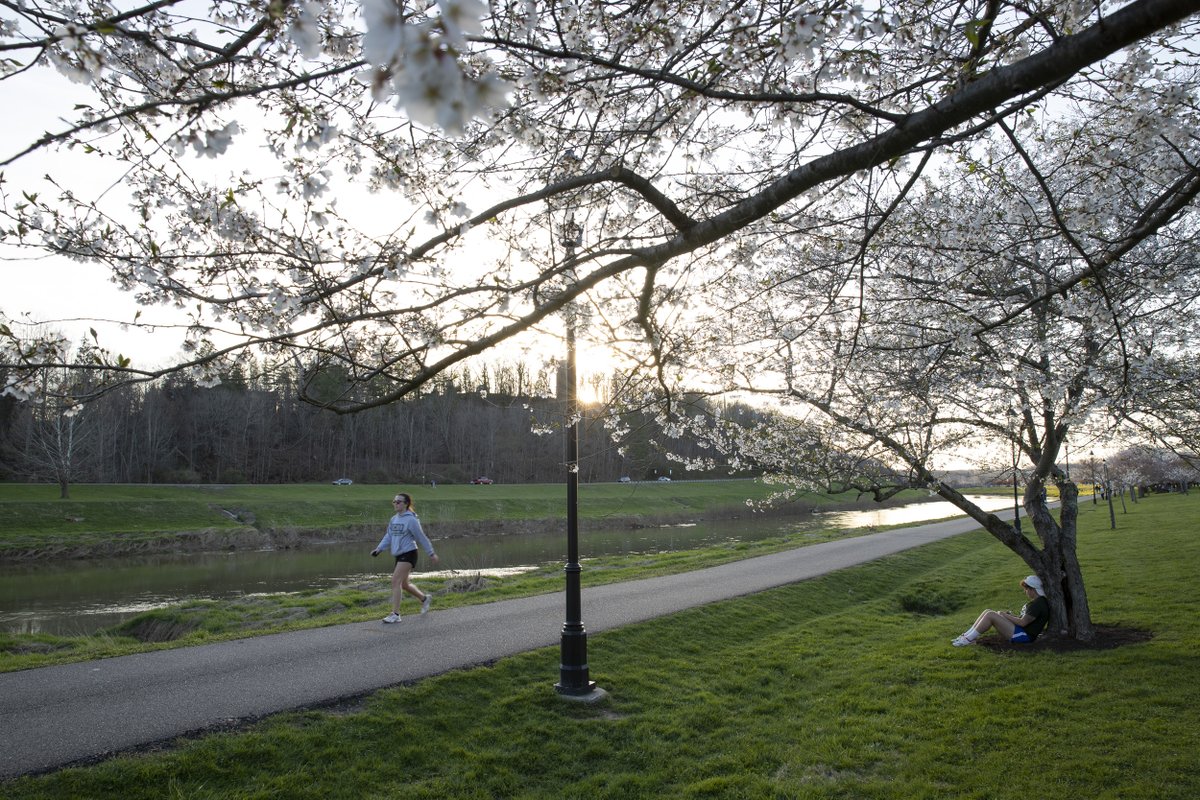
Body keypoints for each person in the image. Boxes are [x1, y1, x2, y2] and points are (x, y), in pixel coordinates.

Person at [371, 492, 439, 623]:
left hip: (409, 553)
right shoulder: (394, 519)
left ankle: (395, 614)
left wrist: (431, 553)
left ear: (406, 504)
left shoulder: (411, 520)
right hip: (398, 554)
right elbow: (388, 536)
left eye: (398, 502)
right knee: (404, 584)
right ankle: (424, 598)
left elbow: (421, 537)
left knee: (395, 581)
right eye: (394, 501)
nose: (395, 504)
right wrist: (379, 549)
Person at [952, 575, 1050, 646]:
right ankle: (965, 637)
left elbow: (1023, 623)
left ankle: (966, 640)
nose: (1025, 591)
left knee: (990, 614)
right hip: (1021, 632)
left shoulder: (1039, 604)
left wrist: (1005, 615)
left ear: (1033, 589)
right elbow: (1025, 620)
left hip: (1024, 636)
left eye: (1026, 589)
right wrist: (1010, 616)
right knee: (988, 611)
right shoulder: (1039, 602)